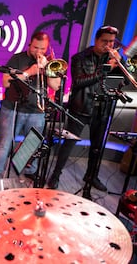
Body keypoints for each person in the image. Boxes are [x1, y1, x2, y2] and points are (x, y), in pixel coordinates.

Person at [47, 26, 126, 192]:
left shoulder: (114, 59)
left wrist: (122, 61)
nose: (109, 45)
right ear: (96, 40)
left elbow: (125, 79)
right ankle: (55, 175)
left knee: (97, 147)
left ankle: (91, 176)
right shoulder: (80, 58)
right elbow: (80, 81)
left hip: (103, 109)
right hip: (81, 108)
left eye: (111, 42)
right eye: (105, 41)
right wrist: (106, 69)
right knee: (68, 144)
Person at [0, 32, 61, 185]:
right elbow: (6, 82)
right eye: (35, 48)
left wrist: (47, 69)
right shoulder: (17, 58)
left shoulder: (49, 62)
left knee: (33, 142)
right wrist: (29, 72)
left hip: (36, 111)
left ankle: (30, 171)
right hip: (13, 108)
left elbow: (55, 86)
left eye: (42, 48)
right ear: (29, 45)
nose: (39, 52)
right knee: (5, 142)